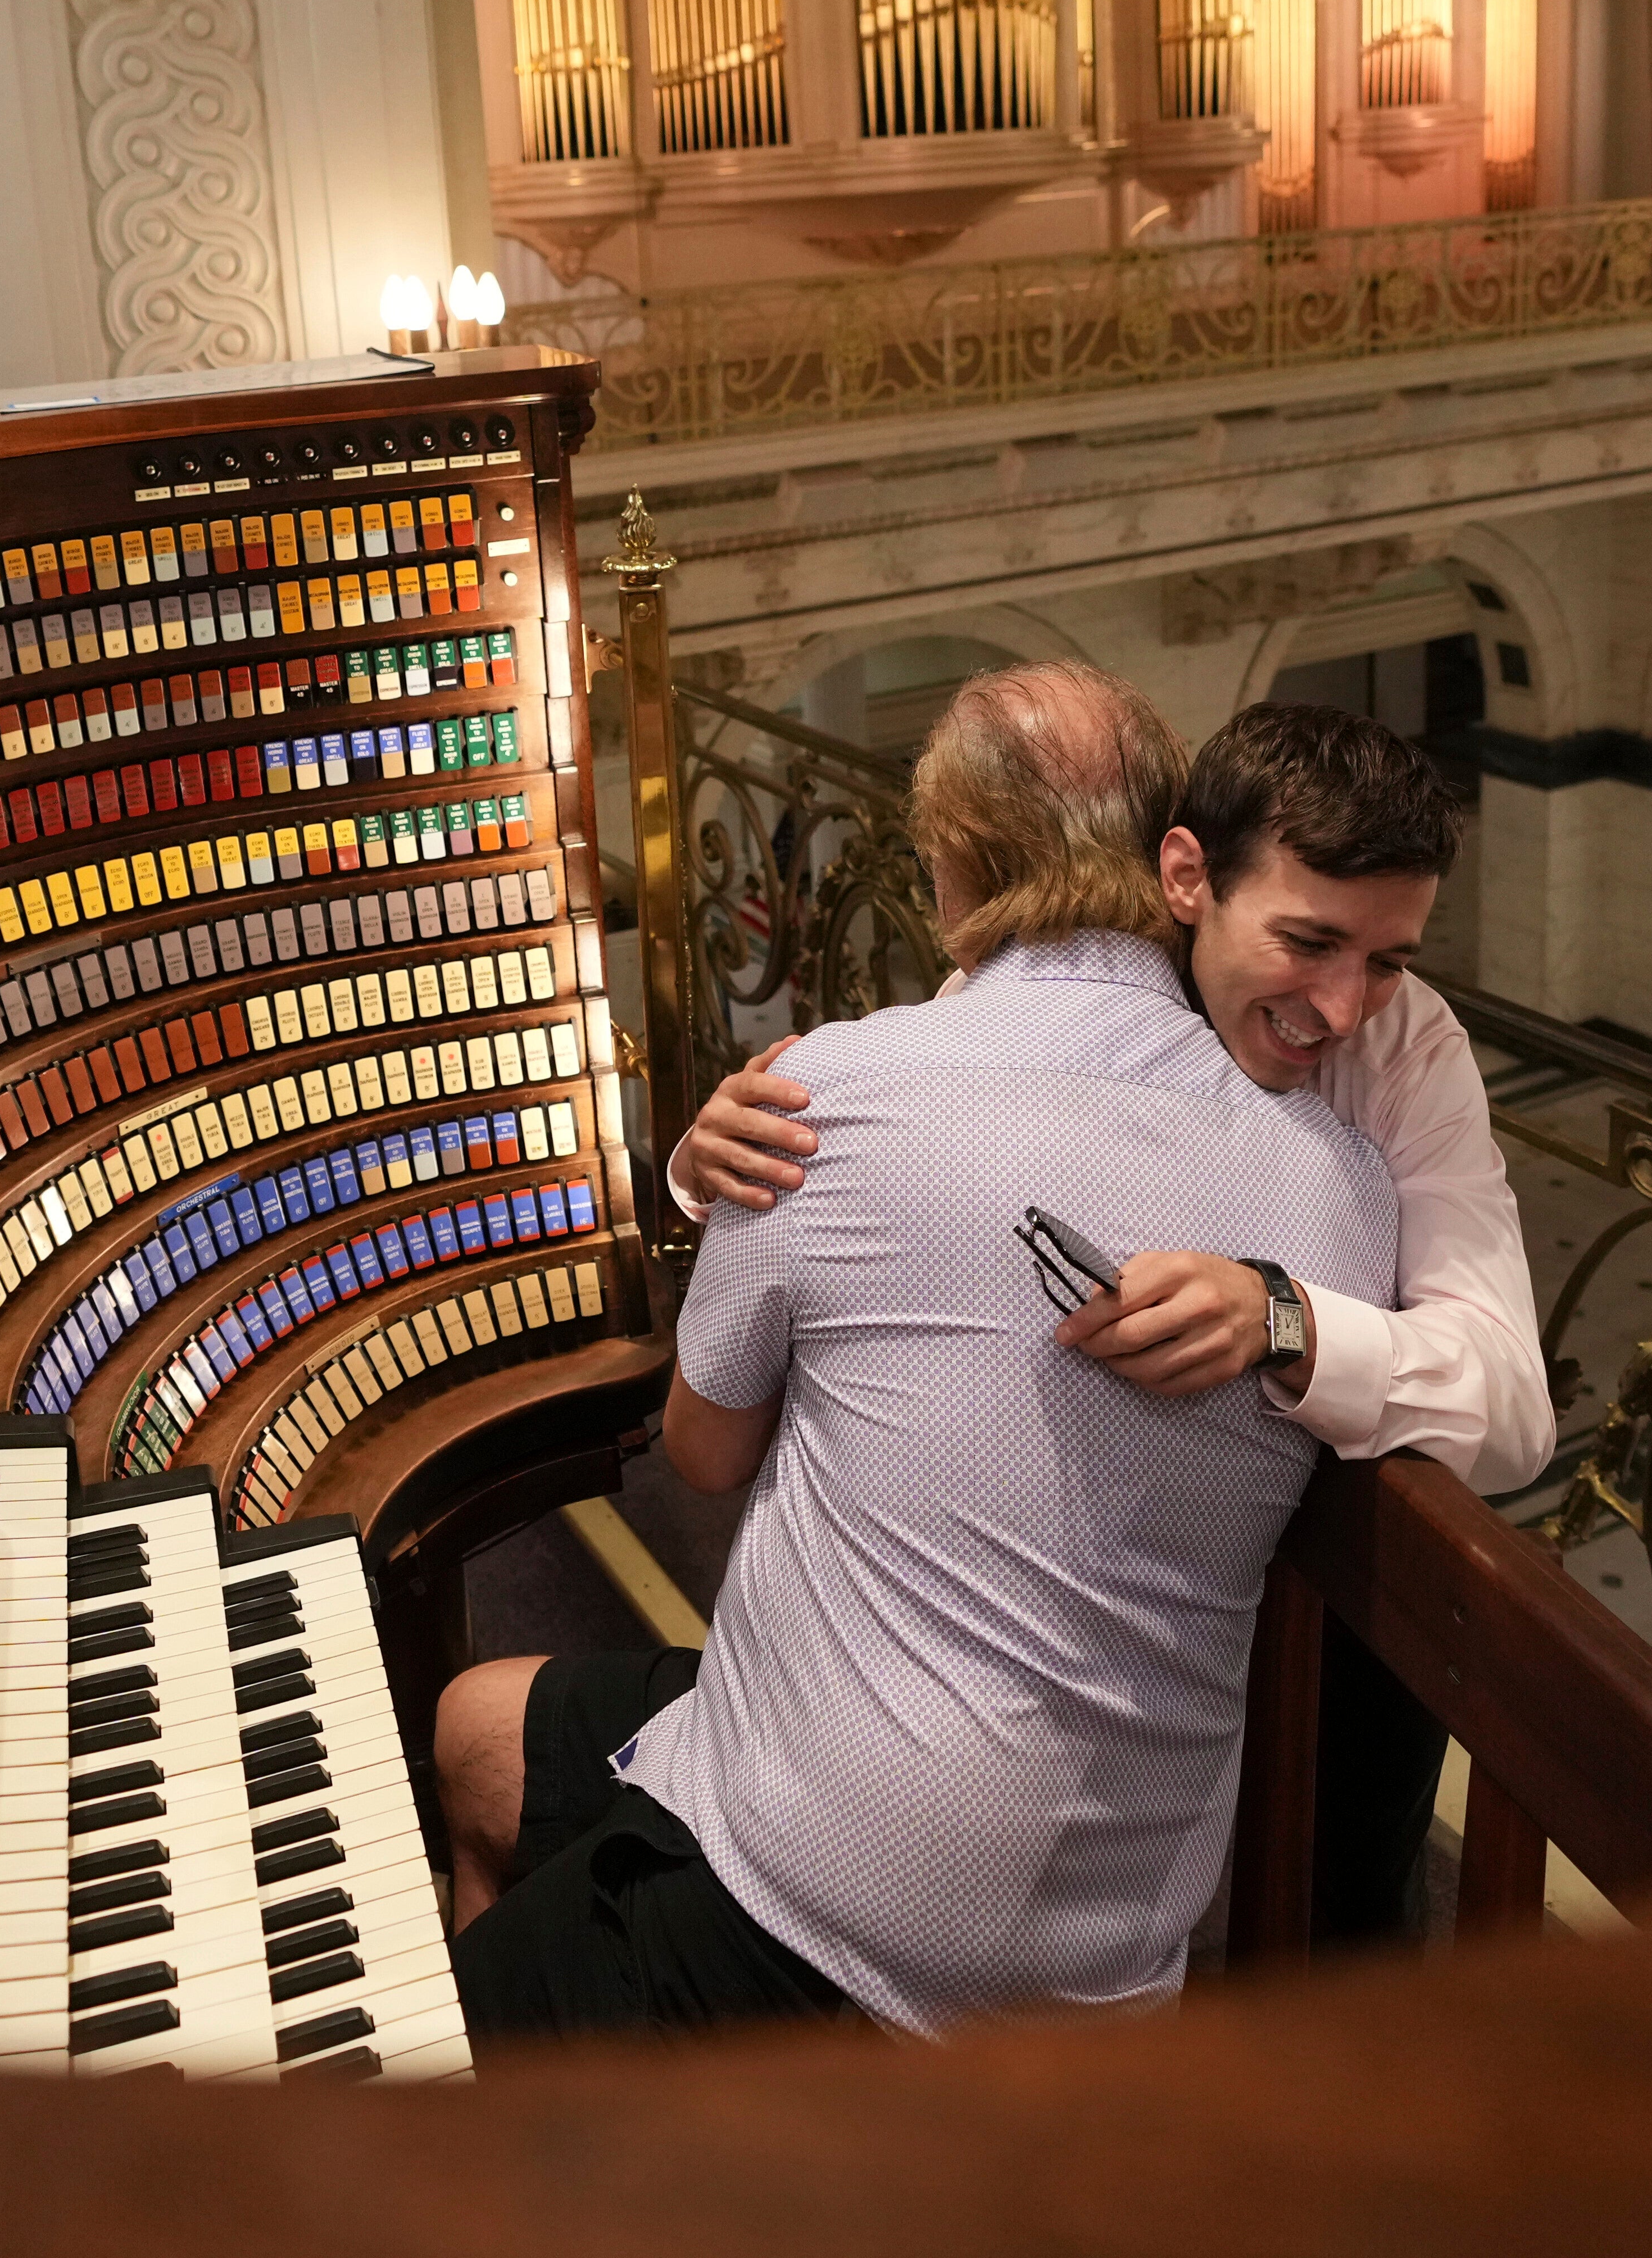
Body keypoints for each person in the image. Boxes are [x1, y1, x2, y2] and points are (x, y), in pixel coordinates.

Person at [437, 665, 1403, 2041]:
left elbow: (705, 1457)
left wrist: (721, 1213)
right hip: (1117, 1946)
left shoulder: (832, 1095)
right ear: (1169, 866)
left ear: (950, 871)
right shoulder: (1345, 1187)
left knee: (411, 2067)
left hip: (820, 1908)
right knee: (485, 1733)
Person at [664, 693, 1551, 1946]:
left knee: (1342, 1934)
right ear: (1186, 880)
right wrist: (706, 1164)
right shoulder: (1021, 991)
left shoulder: (1407, 1053)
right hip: (1089, 1617)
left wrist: (1285, 1320)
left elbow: (1511, 1414)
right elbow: (869, 1157)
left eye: (1389, 959)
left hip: (1337, 1582)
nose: (1346, 1008)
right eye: (1308, 943)